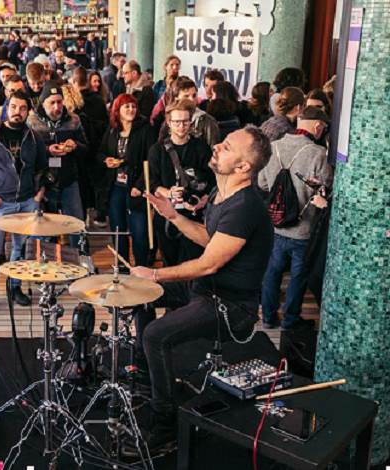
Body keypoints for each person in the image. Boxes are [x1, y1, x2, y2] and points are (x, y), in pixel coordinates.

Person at [130, 125, 274, 449]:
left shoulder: (245, 207)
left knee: (155, 334)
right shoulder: (223, 195)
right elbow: (212, 241)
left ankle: (165, 424)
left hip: (230, 306)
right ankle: (150, 373)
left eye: (226, 146)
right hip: (206, 289)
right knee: (139, 295)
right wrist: (175, 217)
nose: (217, 146)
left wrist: (154, 275)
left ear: (243, 167)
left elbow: (209, 263)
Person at [0, 91, 47, 313]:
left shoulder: (34, 137)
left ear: (28, 112)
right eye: (13, 107)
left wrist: (39, 194)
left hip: (26, 202)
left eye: (23, 108)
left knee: (20, 249)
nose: (17, 112)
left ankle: (15, 287)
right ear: (5, 108)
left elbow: (43, 167)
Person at [258, 106, 333, 329]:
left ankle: (269, 317)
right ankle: (290, 321)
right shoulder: (318, 154)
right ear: (318, 126)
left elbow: (262, 183)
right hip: (304, 227)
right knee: (299, 276)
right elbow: (327, 186)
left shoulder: (273, 147)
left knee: (272, 273)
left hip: (275, 225)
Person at [149, 99, 216, 268]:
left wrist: (204, 200)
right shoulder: (157, 150)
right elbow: (152, 182)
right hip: (167, 214)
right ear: (169, 123)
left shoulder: (201, 148)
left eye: (185, 121)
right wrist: (168, 192)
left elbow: (212, 181)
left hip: (195, 215)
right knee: (169, 261)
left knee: (194, 262)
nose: (181, 126)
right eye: (177, 122)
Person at [27, 81, 87, 246]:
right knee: (45, 225)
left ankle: (81, 257)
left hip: (68, 177)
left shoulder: (74, 120)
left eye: (59, 102)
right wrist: (47, 150)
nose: (56, 107)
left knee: (76, 222)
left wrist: (75, 146)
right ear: (43, 103)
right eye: (52, 102)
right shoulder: (32, 121)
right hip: (42, 181)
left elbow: (86, 147)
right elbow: (27, 151)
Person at [98, 93, 152, 267]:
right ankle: (122, 267)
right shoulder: (113, 130)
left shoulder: (145, 130)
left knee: (139, 231)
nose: (131, 109)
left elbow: (151, 162)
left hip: (135, 187)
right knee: (117, 230)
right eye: (126, 106)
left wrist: (140, 186)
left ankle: (141, 268)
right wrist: (106, 161)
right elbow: (100, 153)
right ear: (117, 110)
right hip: (115, 187)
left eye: (133, 106)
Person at [71, 67, 110, 226]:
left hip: (78, 149)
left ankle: (83, 215)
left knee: (81, 182)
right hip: (96, 148)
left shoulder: (73, 101)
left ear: (74, 81)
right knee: (97, 183)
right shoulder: (98, 100)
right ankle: (99, 214)